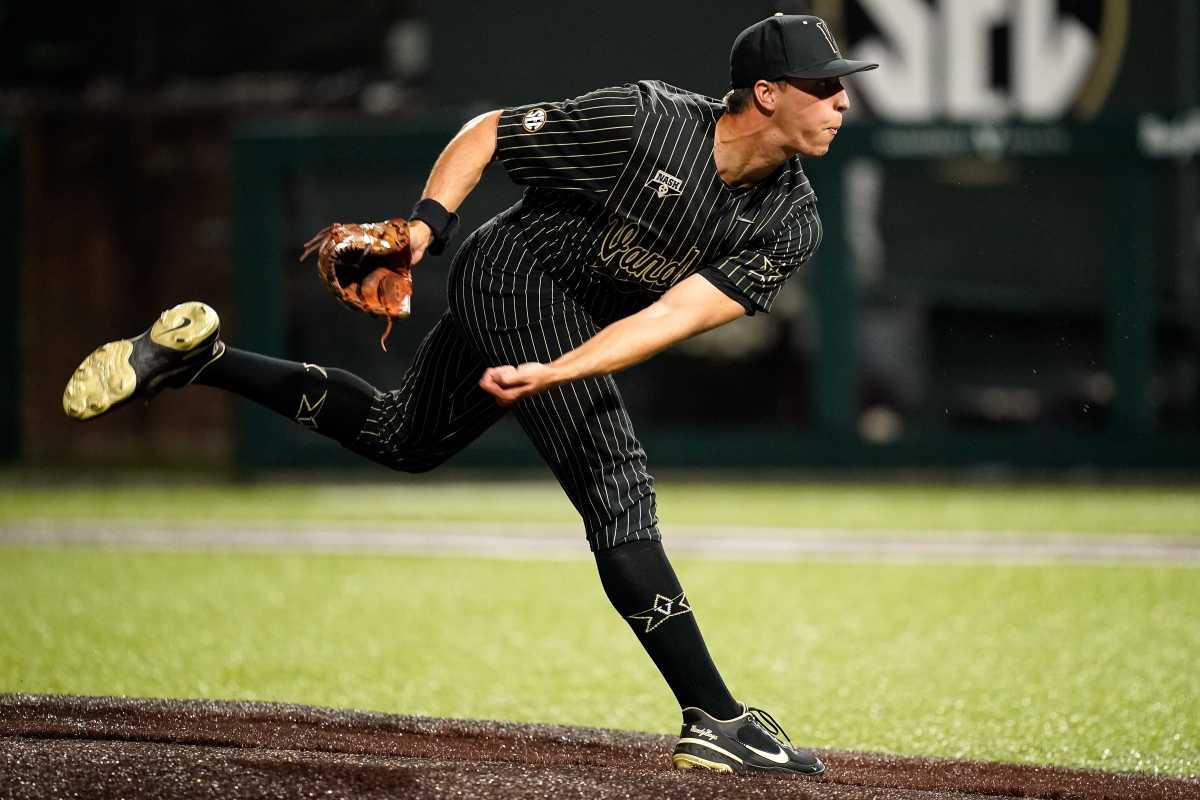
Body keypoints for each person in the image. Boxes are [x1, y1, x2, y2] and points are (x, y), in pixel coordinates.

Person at [63, 14, 877, 776]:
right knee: (618, 487)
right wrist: (424, 232)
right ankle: (715, 717)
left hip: (569, 321)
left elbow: (675, 313)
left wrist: (561, 370)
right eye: (825, 85)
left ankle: (199, 359)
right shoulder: (647, 123)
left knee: (401, 438)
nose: (842, 99)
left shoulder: (792, 216)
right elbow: (488, 133)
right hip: (515, 272)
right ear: (766, 94)